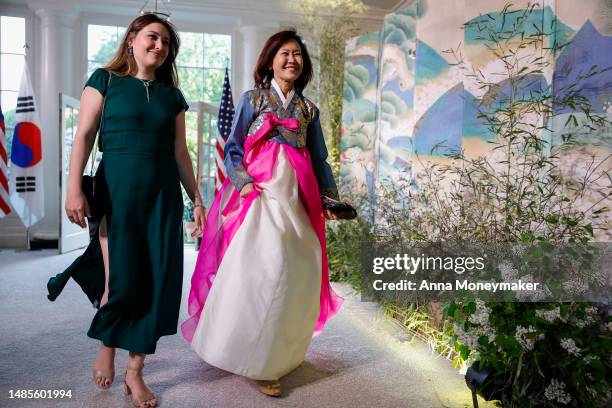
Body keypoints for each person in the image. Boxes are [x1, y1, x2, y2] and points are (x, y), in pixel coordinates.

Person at [48, 13, 205, 408]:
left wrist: (197, 199)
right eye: (153, 37)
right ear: (132, 37)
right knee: (119, 275)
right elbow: (83, 135)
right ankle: (108, 341)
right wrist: (73, 190)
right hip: (116, 190)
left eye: (167, 43)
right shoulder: (104, 80)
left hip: (162, 195)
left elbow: (181, 153)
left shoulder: (172, 97)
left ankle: (136, 372)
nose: (160, 46)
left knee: (156, 281)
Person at [182, 29, 348, 397]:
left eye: (297, 55)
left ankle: (281, 350)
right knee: (263, 267)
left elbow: (319, 159)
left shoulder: (308, 109)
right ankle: (259, 362)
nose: (291, 60)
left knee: (299, 269)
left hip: (298, 195)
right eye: (284, 53)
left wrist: (330, 200)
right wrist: (240, 182)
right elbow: (234, 147)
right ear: (270, 59)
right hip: (259, 191)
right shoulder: (252, 99)